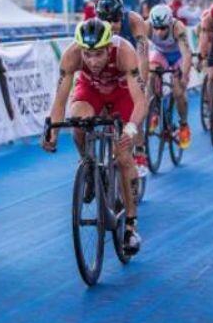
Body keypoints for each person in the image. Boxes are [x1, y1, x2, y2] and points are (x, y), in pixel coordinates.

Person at [41, 19, 147, 254]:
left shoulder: (125, 53)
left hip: (122, 94)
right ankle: (88, 165)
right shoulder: (71, 55)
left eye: (98, 54)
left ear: (109, 48)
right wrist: (53, 131)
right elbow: (59, 100)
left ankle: (130, 224)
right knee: (78, 121)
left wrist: (131, 128)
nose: (92, 61)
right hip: (91, 90)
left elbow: (141, 100)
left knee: (123, 155)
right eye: (87, 55)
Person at [94, 0, 151, 173]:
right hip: (110, 70)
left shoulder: (134, 21)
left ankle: (140, 151)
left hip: (131, 68)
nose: (112, 27)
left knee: (138, 106)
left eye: (116, 21)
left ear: (122, 16)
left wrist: (141, 83)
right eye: (107, 22)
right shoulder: (93, 26)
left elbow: (143, 56)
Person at [146, 4, 194, 149]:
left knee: (178, 91)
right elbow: (140, 52)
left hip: (178, 56)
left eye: (163, 28)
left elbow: (186, 54)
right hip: (160, 54)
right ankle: (154, 111)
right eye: (156, 28)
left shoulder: (178, 28)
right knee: (151, 74)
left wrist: (184, 76)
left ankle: (184, 125)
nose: (159, 32)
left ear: (170, 23)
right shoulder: (147, 27)